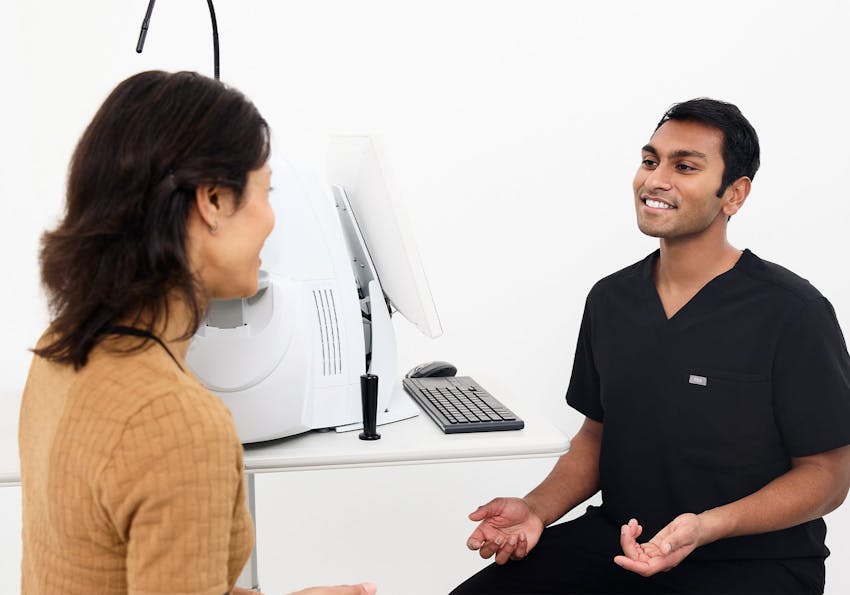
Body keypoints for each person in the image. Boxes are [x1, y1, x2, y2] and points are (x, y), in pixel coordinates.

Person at [451, 98, 850, 594]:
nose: (655, 179)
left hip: (751, 561)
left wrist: (705, 527)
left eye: (685, 166)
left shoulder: (793, 311)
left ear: (735, 194)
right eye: (649, 160)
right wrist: (535, 509)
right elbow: (596, 437)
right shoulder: (611, 299)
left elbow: (828, 475)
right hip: (620, 540)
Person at [18, 70, 377, 595]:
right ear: (212, 201)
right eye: (265, 192)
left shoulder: (60, 349)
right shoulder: (176, 423)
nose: (272, 220)